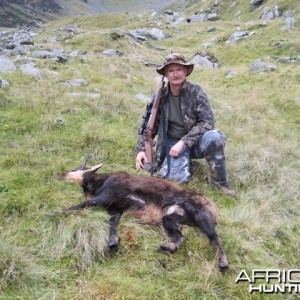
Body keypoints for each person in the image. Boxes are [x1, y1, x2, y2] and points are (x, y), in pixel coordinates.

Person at [135, 53, 236, 197]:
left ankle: (220, 184)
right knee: (175, 182)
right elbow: (149, 127)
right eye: (171, 70)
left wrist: (184, 142)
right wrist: (140, 150)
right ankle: (183, 163)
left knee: (214, 138)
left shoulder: (196, 92)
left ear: (186, 72)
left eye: (179, 70)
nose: (175, 74)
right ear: (165, 74)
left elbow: (207, 122)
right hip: (170, 145)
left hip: (193, 144)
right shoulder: (160, 97)